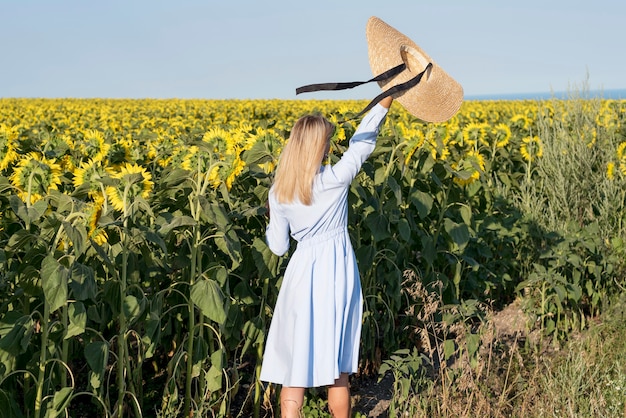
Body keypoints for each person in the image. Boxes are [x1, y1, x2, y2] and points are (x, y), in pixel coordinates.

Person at [260, 95, 394, 418]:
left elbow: (278, 248)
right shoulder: (334, 181)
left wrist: (270, 219)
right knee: (337, 373)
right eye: (327, 143)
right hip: (336, 276)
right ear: (316, 148)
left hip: (301, 278)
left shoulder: (278, 192)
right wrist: (385, 99)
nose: (330, 148)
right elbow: (363, 142)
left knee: (294, 370)